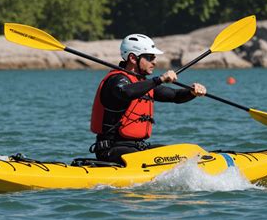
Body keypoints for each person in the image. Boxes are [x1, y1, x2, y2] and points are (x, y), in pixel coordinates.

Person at [89, 34, 207, 164]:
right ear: (133, 58)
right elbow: (126, 92)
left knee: (185, 154)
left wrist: (192, 92)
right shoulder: (116, 80)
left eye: (154, 57)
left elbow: (175, 96)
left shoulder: (143, 84)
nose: (154, 62)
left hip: (137, 148)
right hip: (112, 150)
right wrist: (160, 79)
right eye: (150, 57)